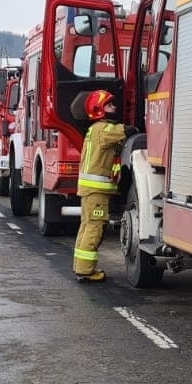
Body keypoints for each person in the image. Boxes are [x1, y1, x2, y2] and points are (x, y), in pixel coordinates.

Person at [72, 88, 126, 283]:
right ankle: (86, 270)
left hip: (91, 191)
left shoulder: (94, 130)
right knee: (94, 228)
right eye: (110, 105)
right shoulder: (104, 129)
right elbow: (123, 131)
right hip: (96, 191)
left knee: (86, 227)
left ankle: (80, 267)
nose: (115, 107)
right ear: (99, 109)